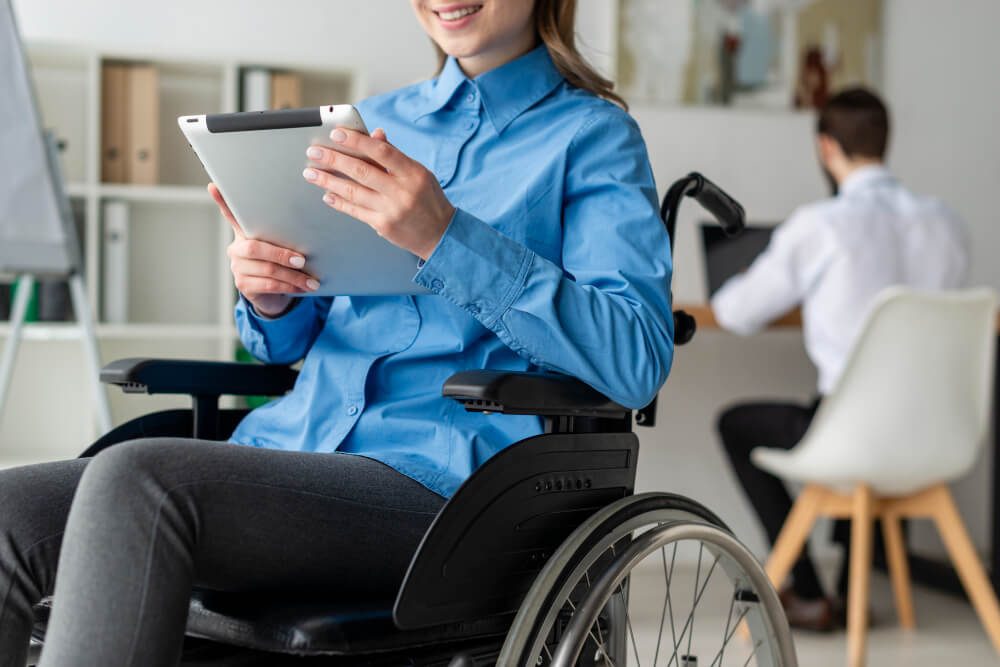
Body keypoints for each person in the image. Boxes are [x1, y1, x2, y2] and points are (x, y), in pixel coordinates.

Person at [0, 1, 674, 665]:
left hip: (452, 491)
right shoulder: (370, 127)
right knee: (10, 513)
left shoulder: (591, 137)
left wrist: (445, 237)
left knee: (143, 479)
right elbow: (291, 340)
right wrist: (268, 296)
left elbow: (636, 357)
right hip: (297, 449)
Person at [713, 87, 969, 631]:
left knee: (737, 423)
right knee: (865, 415)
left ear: (825, 147)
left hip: (854, 435)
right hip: (932, 435)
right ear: (884, 141)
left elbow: (735, 312)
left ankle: (805, 590)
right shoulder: (946, 225)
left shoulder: (820, 225)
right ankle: (852, 591)